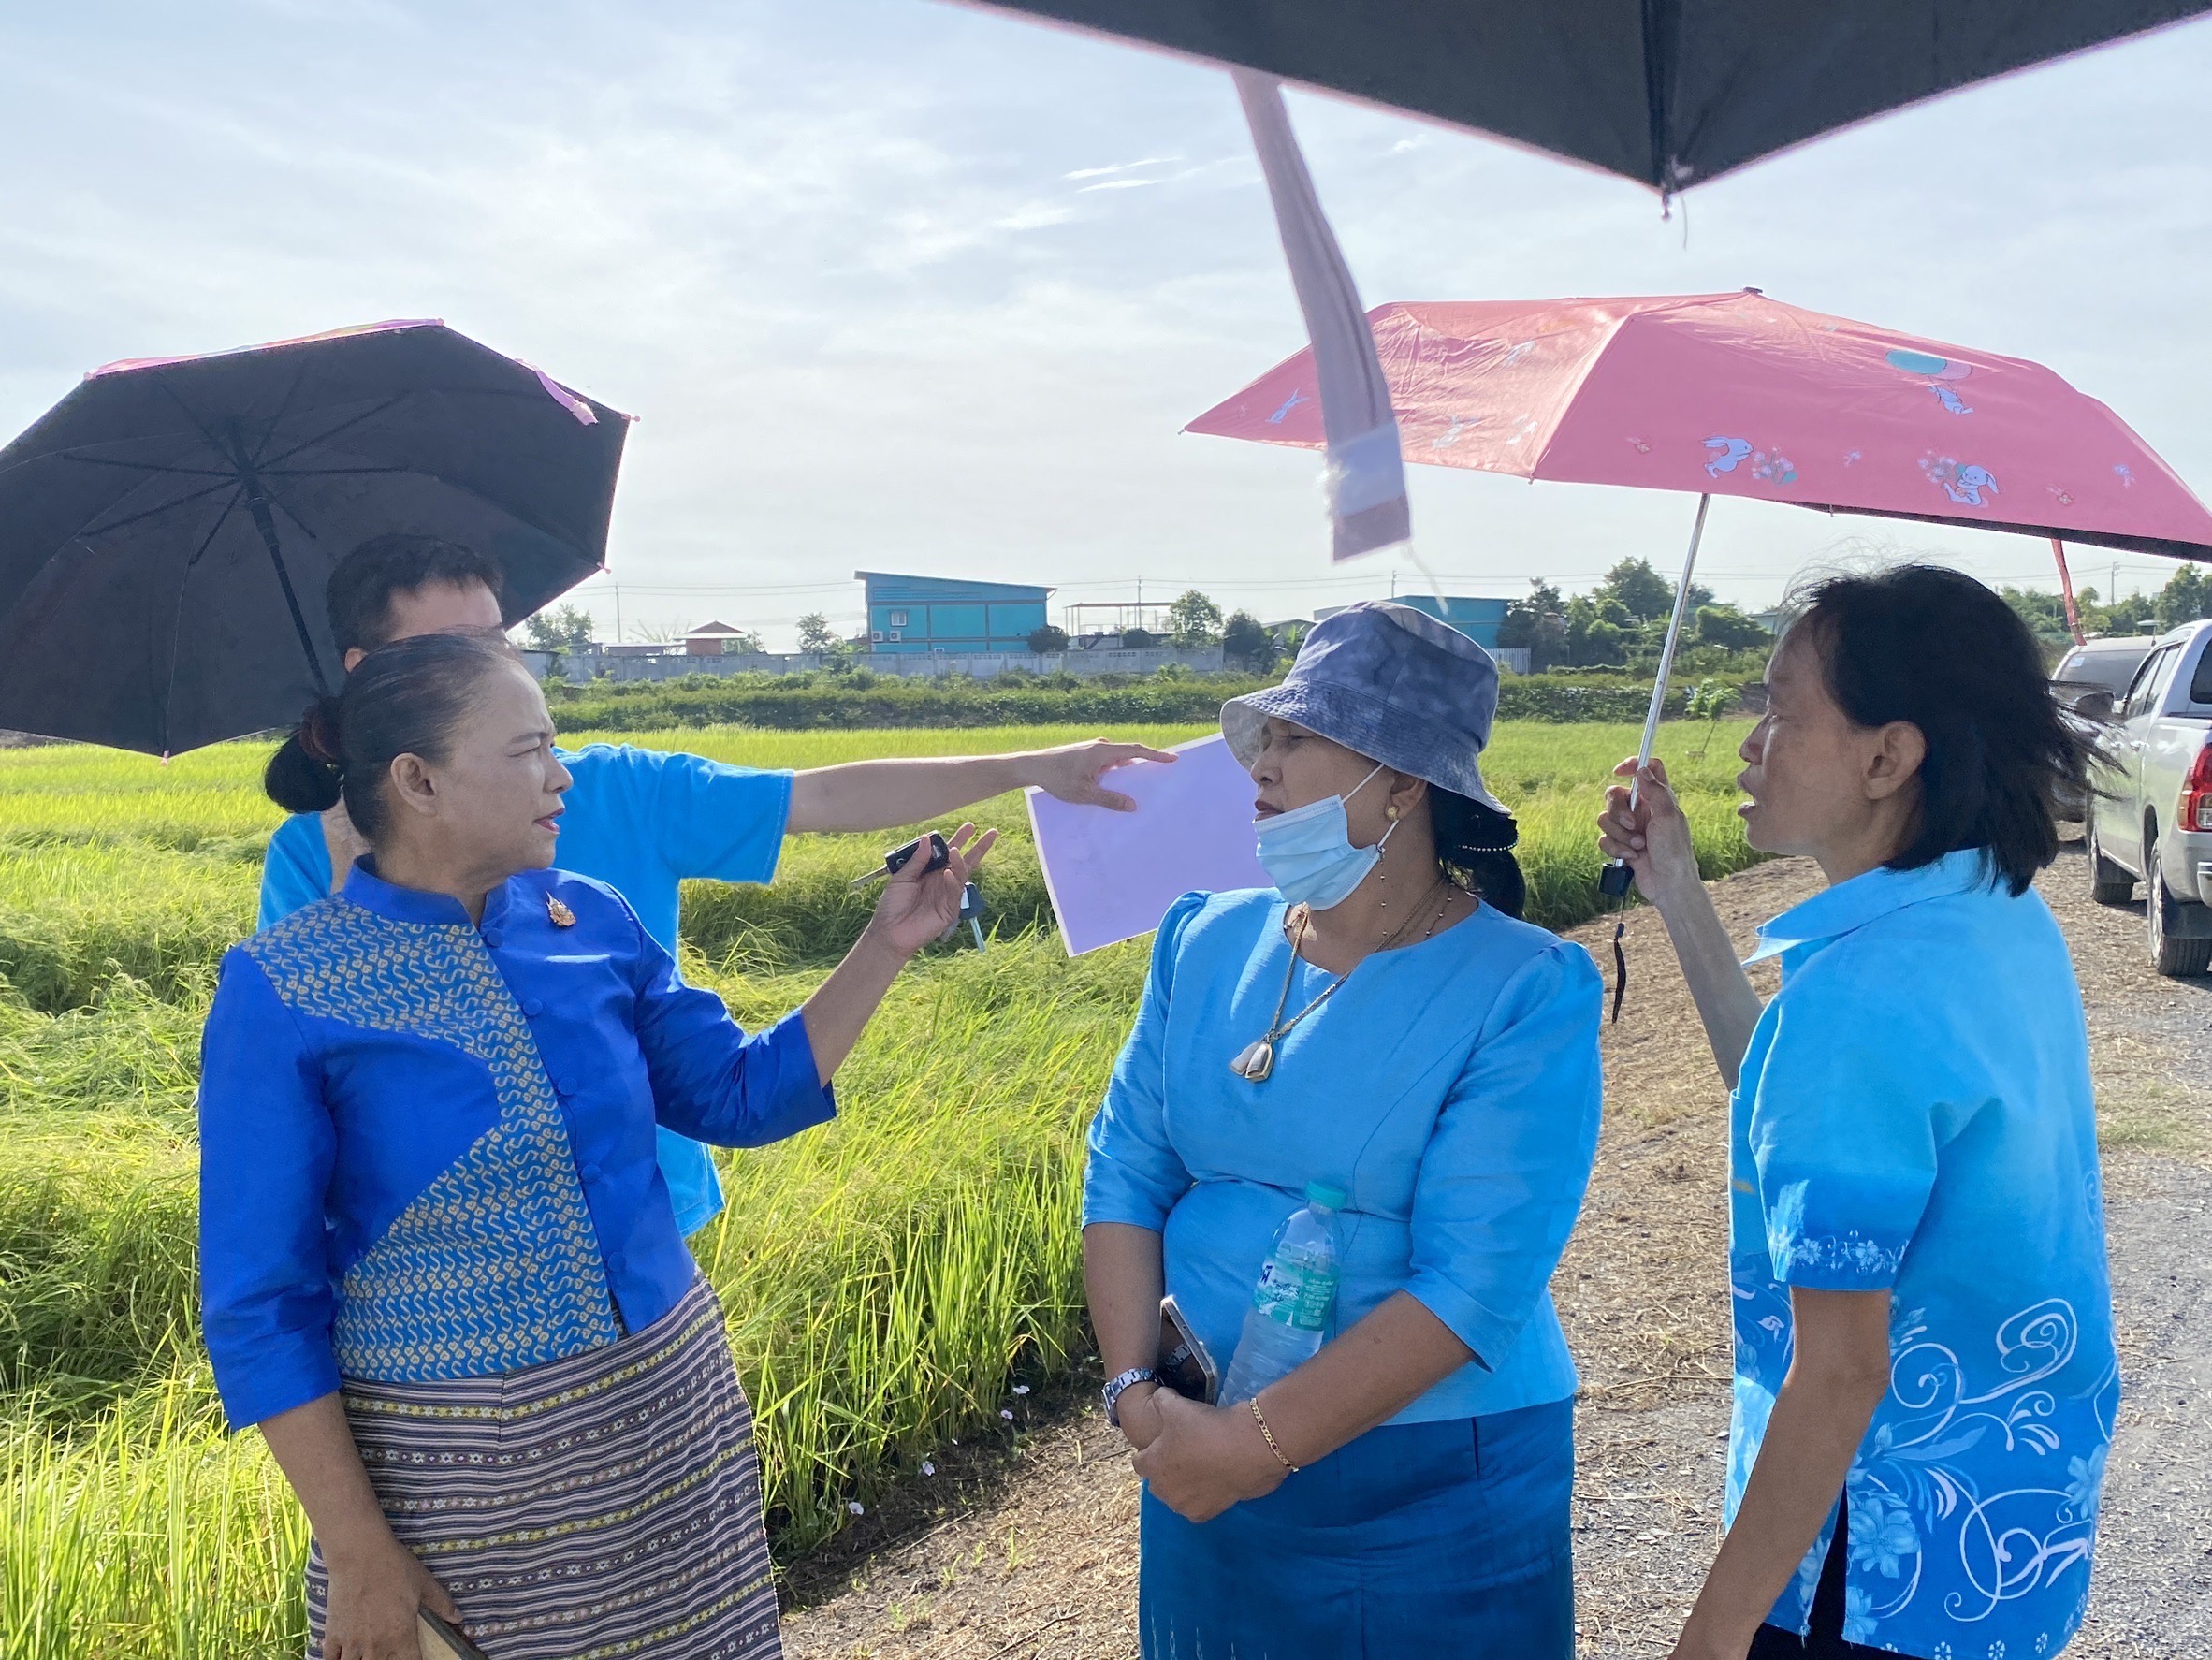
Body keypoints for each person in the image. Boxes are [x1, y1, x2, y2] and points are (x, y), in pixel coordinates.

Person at [201, 630, 992, 1659]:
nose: (561, 775)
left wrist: (886, 943)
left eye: (555, 743)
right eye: (529, 750)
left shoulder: (592, 919)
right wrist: (356, 1551)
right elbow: (260, 1304)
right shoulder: (287, 986)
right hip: (460, 1483)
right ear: (418, 780)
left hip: (674, 1424)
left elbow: (741, 1096)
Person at [259, 533, 1171, 1238]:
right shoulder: (311, 863)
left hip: (642, 1217)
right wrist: (355, 863)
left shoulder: (612, 804)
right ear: (368, 674)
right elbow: (321, 1096)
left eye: (498, 642)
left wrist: (1030, 766)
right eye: (453, 647)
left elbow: (819, 798)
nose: (492, 669)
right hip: (443, 1254)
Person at [1595, 564, 2117, 1660]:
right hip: (2006, 1535)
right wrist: (1677, 888)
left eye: (1783, 712)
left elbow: (1841, 1372)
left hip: (1876, 1563)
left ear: (1889, 757)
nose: (1750, 745)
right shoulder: (1991, 915)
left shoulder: (1859, 995)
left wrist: (1711, 1637)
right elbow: (1789, 1097)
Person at [1083, 602, 1604, 1658]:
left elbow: (1473, 1282)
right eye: (1264, 739)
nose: (1262, 767)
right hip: (1193, 1448)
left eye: (1298, 739)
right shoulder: (1203, 938)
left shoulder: (1523, 988)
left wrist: (1253, 1448)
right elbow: (1124, 1174)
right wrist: (1137, 1394)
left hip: (1428, 1480)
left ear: (1403, 783)